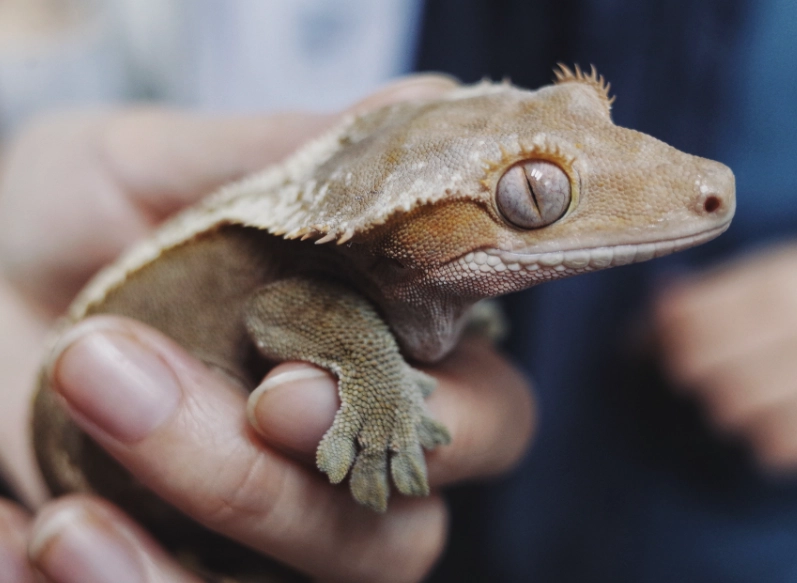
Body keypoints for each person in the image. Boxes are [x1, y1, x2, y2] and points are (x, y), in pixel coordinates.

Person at [2, 0, 797, 582]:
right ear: (403, 235)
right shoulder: (319, 258)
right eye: (535, 195)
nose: (702, 187)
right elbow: (281, 307)